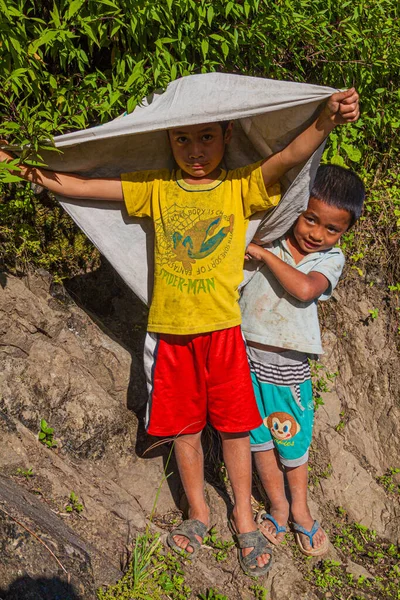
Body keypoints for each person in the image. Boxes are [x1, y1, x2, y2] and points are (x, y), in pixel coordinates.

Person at [0, 87, 359, 575]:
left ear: (226, 135)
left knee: (235, 428)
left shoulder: (240, 186)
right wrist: (17, 164)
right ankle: (198, 512)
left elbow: (290, 156)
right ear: (168, 140)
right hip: (171, 334)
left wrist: (327, 119)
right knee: (186, 427)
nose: (194, 150)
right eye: (183, 138)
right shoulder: (156, 187)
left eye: (206, 137)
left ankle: (245, 518)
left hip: (225, 333)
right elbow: (79, 186)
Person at [240, 163, 365, 557]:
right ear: (295, 207)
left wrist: (262, 255)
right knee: (259, 441)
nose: (317, 234)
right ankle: (277, 507)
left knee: (291, 445)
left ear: (344, 232)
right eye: (311, 219)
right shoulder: (271, 235)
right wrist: (263, 246)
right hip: (247, 359)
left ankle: (302, 512)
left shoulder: (328, 260)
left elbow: (304, 290)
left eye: (332, 229)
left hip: (287, 371)